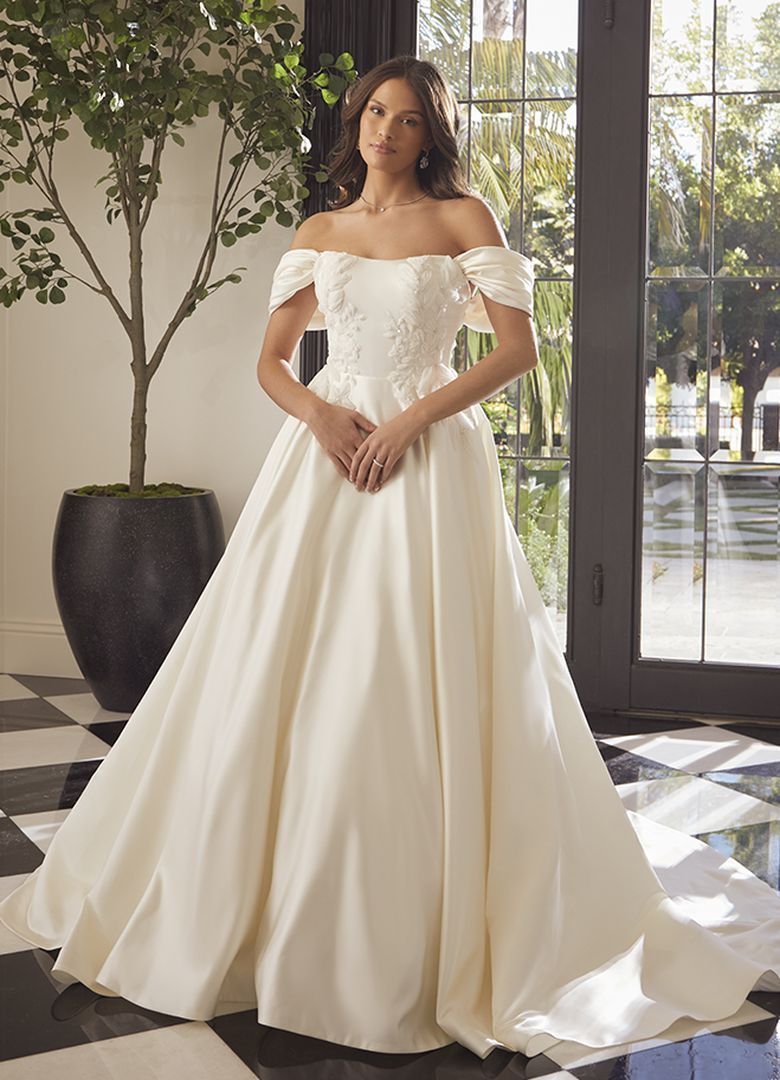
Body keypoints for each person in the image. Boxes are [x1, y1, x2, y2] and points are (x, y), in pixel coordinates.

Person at [0, 54, 778, 1063]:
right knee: (291, 664)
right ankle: (263, 902)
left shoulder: (465, 222)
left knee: (413, 664)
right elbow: (271, 364)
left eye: (408, 119)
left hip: (428, 461)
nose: (386, 131)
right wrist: (324, 413)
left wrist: (407, 421)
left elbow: (515, 351)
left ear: (430, 135)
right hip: (323, 461)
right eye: (375, 112)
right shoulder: (319, 232)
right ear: (356, 122)